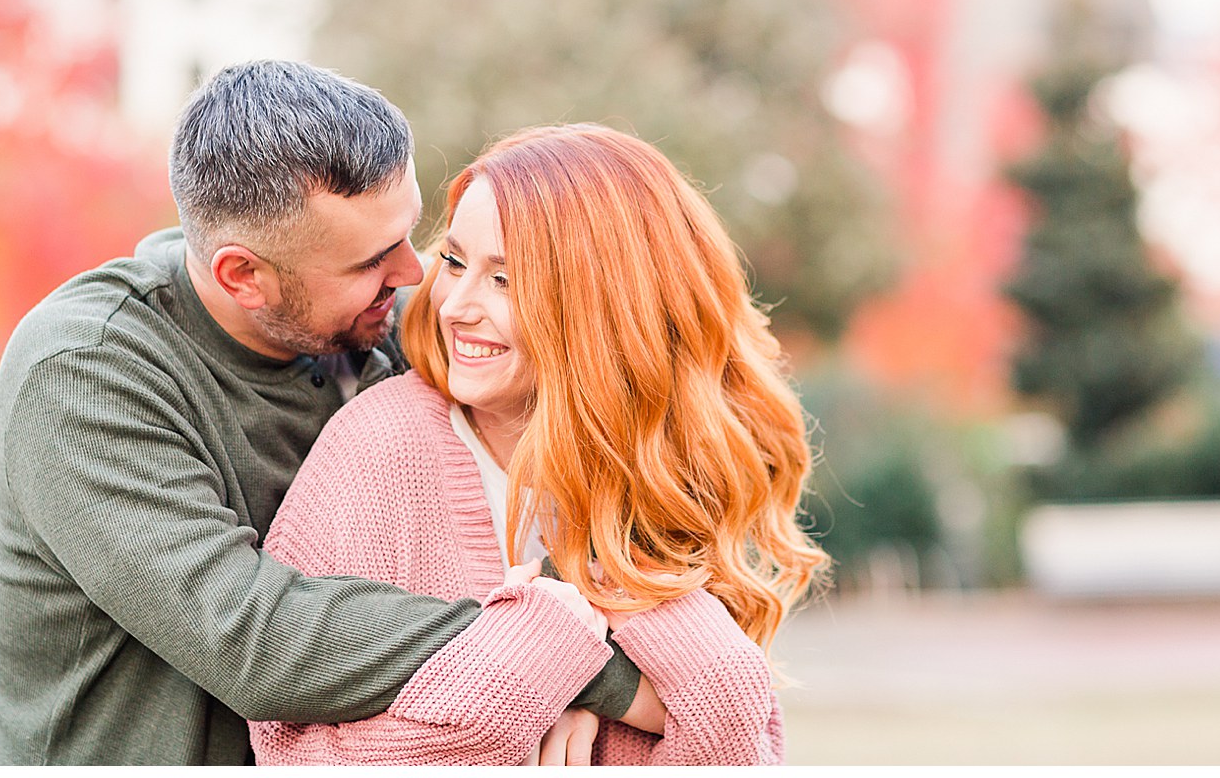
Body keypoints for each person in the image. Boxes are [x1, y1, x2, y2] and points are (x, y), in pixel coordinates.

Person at [0, 62, 655, 766]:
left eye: (408, 234)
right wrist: (579, 662)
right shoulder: (86, 371)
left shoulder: (384, 325)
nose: (415, 275)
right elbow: (253, 639)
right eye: (369, 261)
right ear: (245, 276)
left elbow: (593, 435)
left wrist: (557, 669)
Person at [249, 123, 831, 766]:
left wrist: (620, 684)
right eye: (454, 262)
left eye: (505, 279)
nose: (455, 307)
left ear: (602, 304)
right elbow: (297, 749)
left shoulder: (663, 473)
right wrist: (548, 647)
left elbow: (738, 739)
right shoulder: (382, 452)